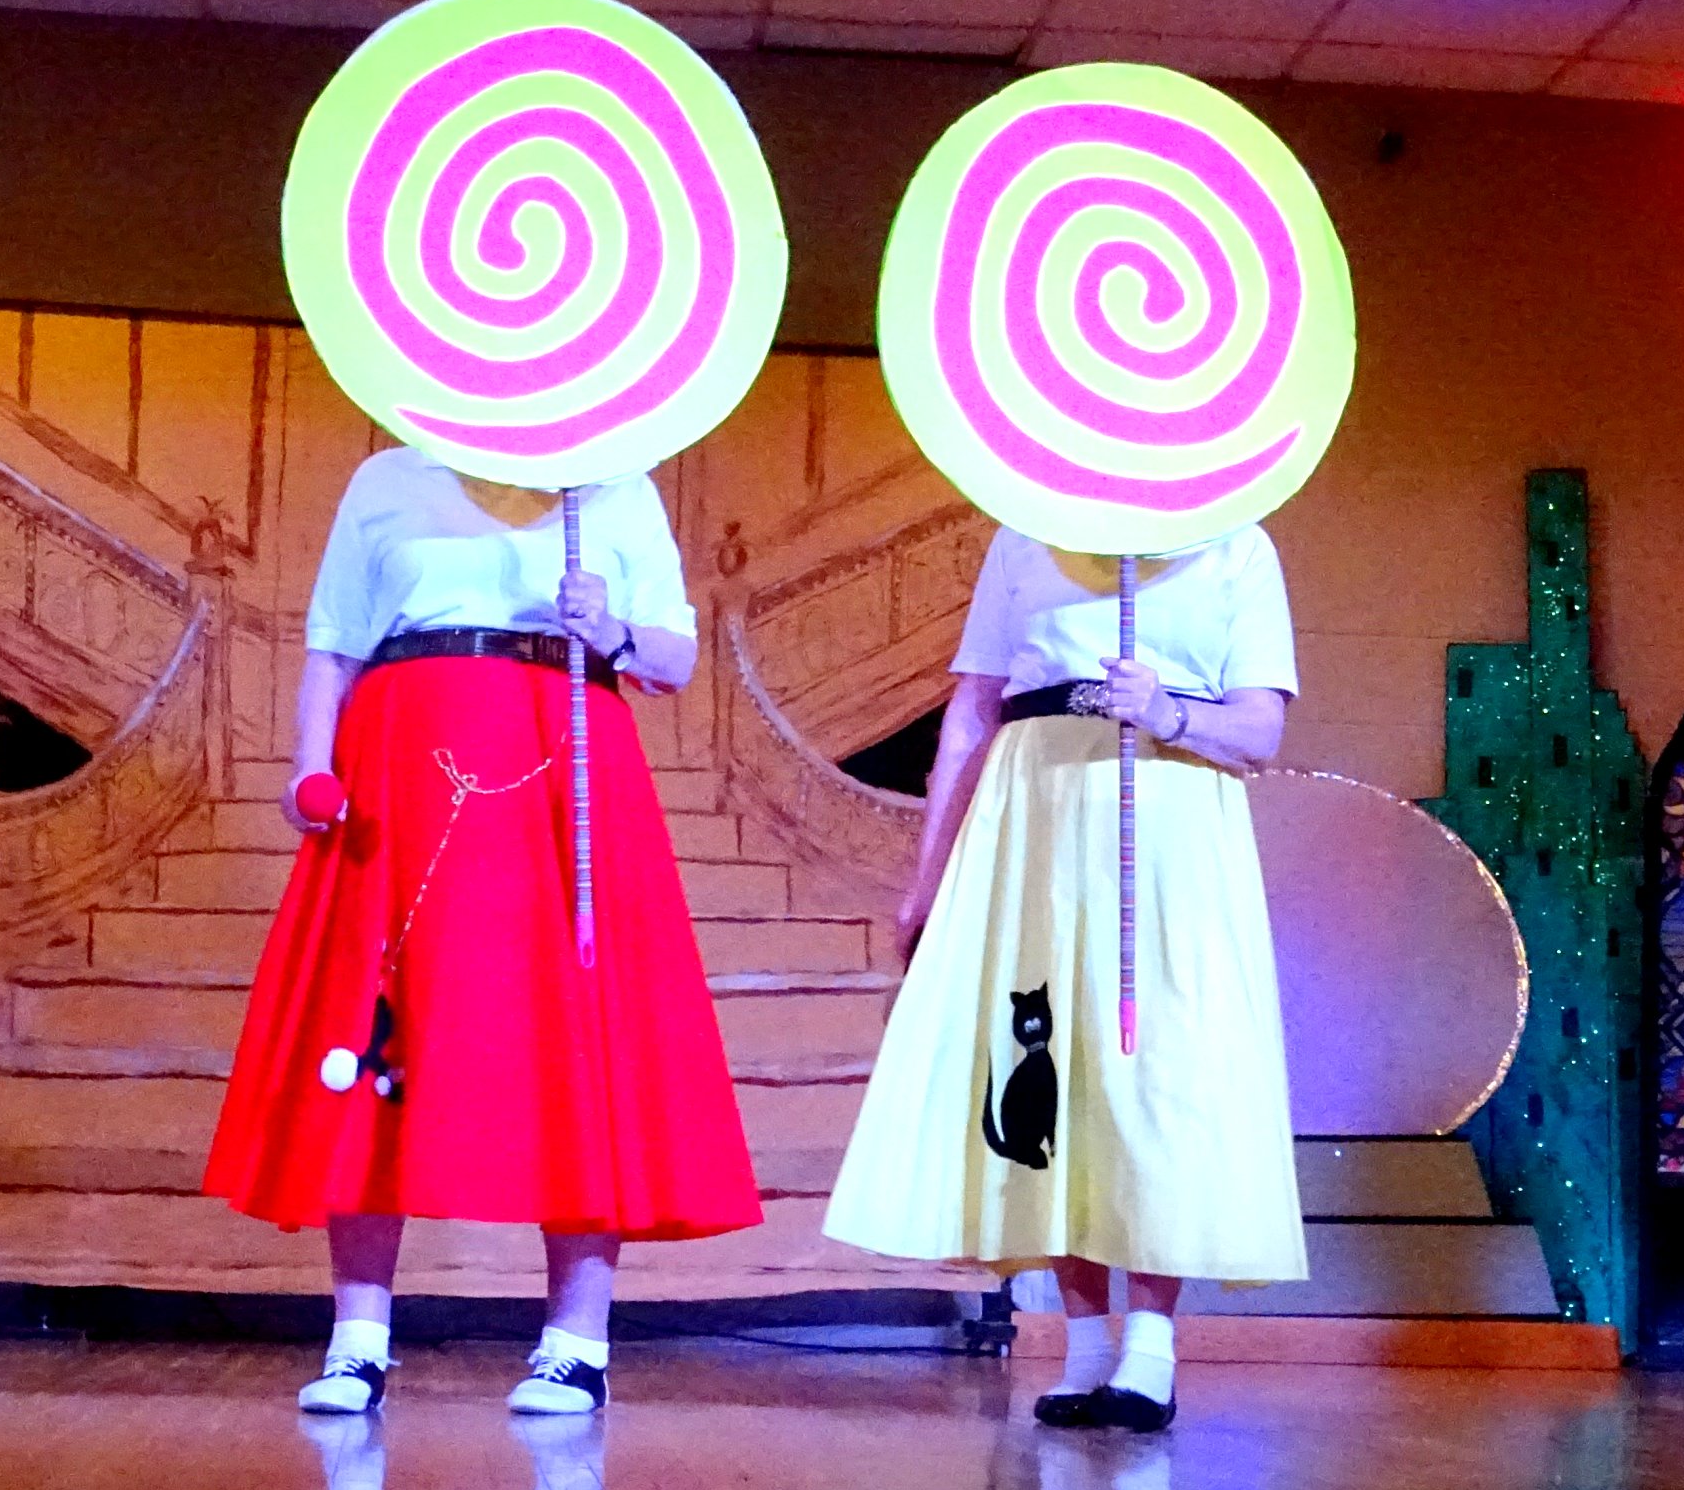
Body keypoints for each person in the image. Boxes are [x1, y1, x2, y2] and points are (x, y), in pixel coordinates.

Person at [204, 446, 759, 1416]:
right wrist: (308, 763)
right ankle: (359, 1336)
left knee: (574, 1033)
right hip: (402, 756)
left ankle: (576, 1341)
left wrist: (613, 628)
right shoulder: (384, 477)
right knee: (378, 1035)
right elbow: (335, 642)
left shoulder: (613, 484)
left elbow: (675, 656)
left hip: (566, 759)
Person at [823, 526, 1308, 1431]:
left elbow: (1261, 728)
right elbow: (972, 710)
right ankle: (1084, 1340)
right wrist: (928, 877)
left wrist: (1167, 712)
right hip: (1033, 807)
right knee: (1044, 1066)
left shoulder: (1235, 544)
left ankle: (1151, 1346)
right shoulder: (1024, 537)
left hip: (1168, 809)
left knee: (1157, 1069)